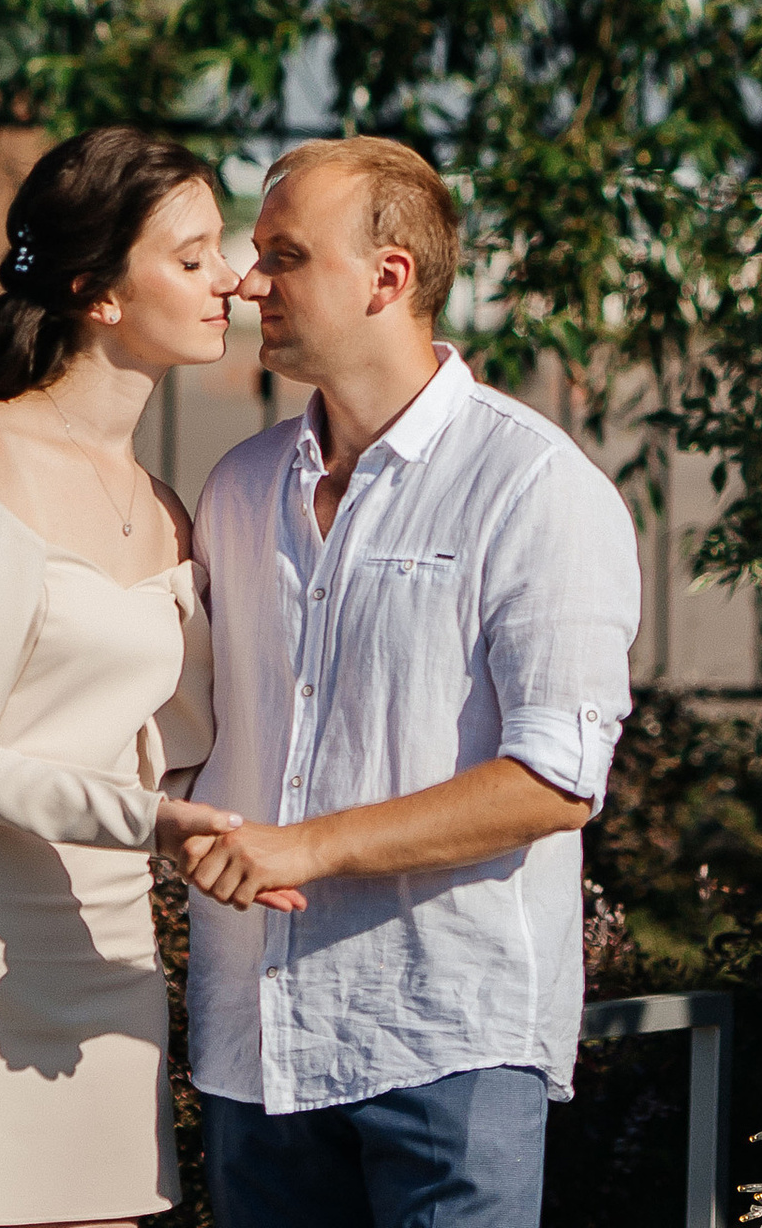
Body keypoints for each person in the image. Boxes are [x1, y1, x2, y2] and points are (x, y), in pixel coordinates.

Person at [0, 124, 291, 1228]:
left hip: (108, 957)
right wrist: (151, 823)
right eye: (189, 257)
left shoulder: (174, 510)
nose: (228, 275)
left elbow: (171, 749)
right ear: (97, 292)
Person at [177, 137, 642, 1228]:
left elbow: (555, 780)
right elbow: (172, 729)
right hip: (257, 1043)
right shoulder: (238, 489)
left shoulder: (533, 487)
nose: (249, 283)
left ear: (388, 278)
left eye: (283, 255)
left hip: (443, 1042)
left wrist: (308, 846)